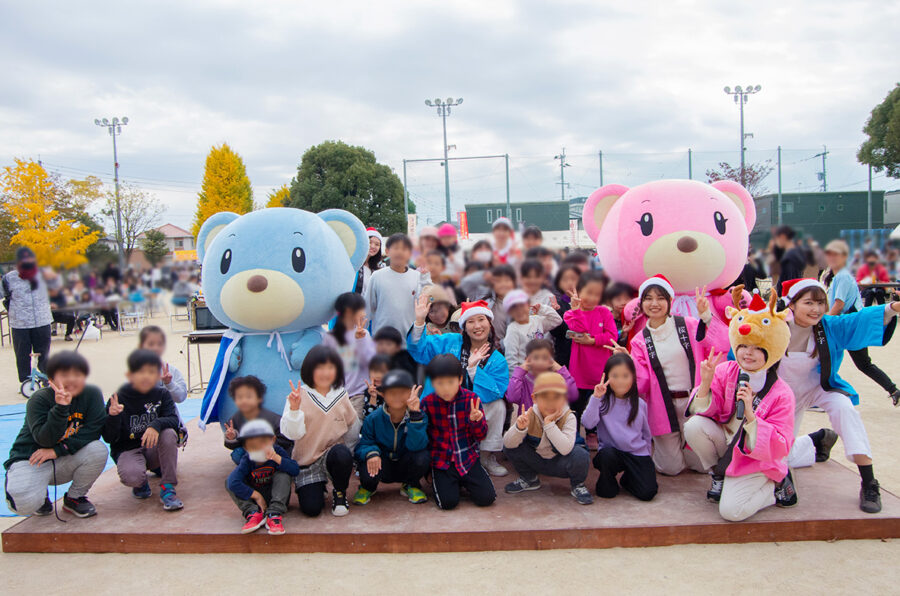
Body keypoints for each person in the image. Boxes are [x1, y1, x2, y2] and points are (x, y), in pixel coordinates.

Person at [779, 278, 900, 513]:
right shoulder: (772, 325)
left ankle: (869, 482)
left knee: (844, 408)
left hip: (820, 387)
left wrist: (893, 308)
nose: (817, 309)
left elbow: (859, 320)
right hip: (782, 398)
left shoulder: (830, 325)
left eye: (821, 303)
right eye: (809, 303)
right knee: (782, 454)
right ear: (791, 304)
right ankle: (818, 439)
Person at [683, 292, 796, 521]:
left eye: (756, 348)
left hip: (756, 459)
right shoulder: (727, 370)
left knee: (731, 512)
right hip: (729, 445)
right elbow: (705, 410)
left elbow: (781, 443)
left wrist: (752, 416)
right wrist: (705, 383)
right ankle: (719, 474)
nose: (748, 353)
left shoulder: (782, 393)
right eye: (743, 346)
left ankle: (776, 487)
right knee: (694, 426)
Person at [408, 298, 510, 476]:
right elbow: (420, 350)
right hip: (443, 403)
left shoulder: (497, 359)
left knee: (499, 406)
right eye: (471, 321)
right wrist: (419, 321)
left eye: (481, 320)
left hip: (471, 407)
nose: (477, 326)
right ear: (464, 326)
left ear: (490, 323)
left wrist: (472, 370)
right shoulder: (450, 342)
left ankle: (485, 456)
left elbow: (495, 392)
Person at [4, 351, 108, 517]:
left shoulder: (92, 394)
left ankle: (74, 498)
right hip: (33, 458)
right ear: (50, 380)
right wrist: (61, 408)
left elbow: (93, 431)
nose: (71, 379)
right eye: (64, 375)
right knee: (23, 505)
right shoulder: (38, 399)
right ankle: (38, 493)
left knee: (98, 450)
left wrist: (57, 451)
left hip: (62, 458)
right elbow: (44, 439)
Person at [629, 275, 714, 476]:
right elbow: (641, 385)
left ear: (670, 301)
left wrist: (707, 317)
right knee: (671, 468)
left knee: (702, 467)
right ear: (641, 303)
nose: (654, 303)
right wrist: (628, 364)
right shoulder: (640, 340)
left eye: (660, 298)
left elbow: (716, 345)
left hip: (694, 401)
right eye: (648, 298)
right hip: (662, 405)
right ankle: (674, 449)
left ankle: (689, 445)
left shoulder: (689, 325)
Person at [280, 346, 361, 517]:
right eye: (320, 368)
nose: (325, 373)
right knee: (311, 509)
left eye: (330, 367)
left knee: (342, 453)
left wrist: (349, 458)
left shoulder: (341, 395)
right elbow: (291, 434)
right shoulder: (297, 396)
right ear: (310, 369)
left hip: (332, 455)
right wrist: (294, 410)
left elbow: (352, 429)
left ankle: (339, 493)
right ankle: (318, 486)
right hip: (307, 461)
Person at [102, 349, 183, 511]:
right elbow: (109, 437)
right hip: (129, 449)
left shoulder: (161, 394)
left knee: (168, 433)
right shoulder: (119, 398)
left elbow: (174, 420)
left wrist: (155, 425)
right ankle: (141, 481)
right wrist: (113, 417)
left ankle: (167, 487)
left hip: (153, 447)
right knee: (133, 477)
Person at [821, 240, 900, 405]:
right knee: (860, 363)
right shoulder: (840, 276)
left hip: (847, 324)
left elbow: (839, 304)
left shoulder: (842, 276)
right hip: (847, 323)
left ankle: (823, 394)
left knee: (843, 361)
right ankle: (893, 390)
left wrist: (824, 322)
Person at [503, 371, 593, 504]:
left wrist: (549, 425)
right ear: (534, 398)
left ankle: (578, 485)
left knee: (581, 455)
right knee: (510, 443)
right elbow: (508, 444)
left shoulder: (569, 416)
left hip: (561, 462)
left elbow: (565, 449)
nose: (551, 403)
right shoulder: (529, 414)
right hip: (536, 461)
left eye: (557, 397)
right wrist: (519, 428)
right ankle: (529, 478)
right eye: (545, 397)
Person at [420, 354, 496, 510]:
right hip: (442, 462)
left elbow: (481, 435)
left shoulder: (471, 400)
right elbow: (423, 437)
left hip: (467, 458)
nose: (446, 388)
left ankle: (463, 480)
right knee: (447, 503)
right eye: (440, 383)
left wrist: (476, 421)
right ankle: (447, 481)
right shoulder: (427, 403)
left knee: (487, 498)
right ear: (433, 383)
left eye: (450, 382)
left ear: (460, 380)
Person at [583, 353, 657, 501]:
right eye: (615, 376)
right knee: (606, 492)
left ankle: (628, 479)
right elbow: (587, 423)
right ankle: (607, 478)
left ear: (633, 377)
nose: (620, 381)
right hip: (611, 454)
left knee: (647, 493)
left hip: (637, 454)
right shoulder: (602, 401)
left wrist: (646, 460)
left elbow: (646, 434)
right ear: (607, 377)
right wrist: (595, 398)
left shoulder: (640, 404)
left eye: (625, 376)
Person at [353, 369, 430, 505]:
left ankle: (410, 485)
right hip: (382, 465)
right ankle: (368, 487)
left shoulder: (419, 416)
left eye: (403, 392)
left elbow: (417, 446)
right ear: (382, 393)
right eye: (392, 392)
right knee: (367, 459)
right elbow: (363, 445)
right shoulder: (373, 419)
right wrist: (372, 453)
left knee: (422, 456)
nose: (397, 397)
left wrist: (414, 416)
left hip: (404, 464)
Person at [563, 271, 618, 426]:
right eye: (589, 293)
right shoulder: (569, 314)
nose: (593, 298)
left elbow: (613, 336)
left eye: (597, 294)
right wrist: (577, 311)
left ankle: (593, 432)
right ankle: (575, 432)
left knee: (599, 401)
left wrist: (592, 341)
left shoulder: (604, 312)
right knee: (577, 403)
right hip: (580, 368)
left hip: (601, 368)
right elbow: (580, 329)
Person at [226, 419, 300, 535]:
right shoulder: (247, 459)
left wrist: (276, 458)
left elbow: (295, 470)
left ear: (273, 440)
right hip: (256, 501)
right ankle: (253, 513)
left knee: (283, 473)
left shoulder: (278, 452)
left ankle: (274, 514)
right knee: (231, 481)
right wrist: (257, 496)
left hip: (276, 497)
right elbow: (232, 482)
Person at [364, 233, 432, 343]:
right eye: (395, 248)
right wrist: (362, 333)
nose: (400, 252)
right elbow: (367, 308)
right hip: (381, 341)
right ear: (387, 251)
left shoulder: (417, 277)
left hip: (408, 341)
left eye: (404, 249)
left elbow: (426, 300)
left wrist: (426, 278)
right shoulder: (377, 276)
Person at [2, 247, 53, 383]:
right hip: (20, 323)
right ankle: (25, 381)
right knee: (22, 354)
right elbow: (3, 294)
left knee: (44, 353)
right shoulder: (9, 278)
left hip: (42, 320)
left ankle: (45, 379)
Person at [322, 292, 375, 420]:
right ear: (348, 312)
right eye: (361, 309)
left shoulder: (365, 334)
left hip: (359, 395)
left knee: (353, 434)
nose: (364, 313)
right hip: (336, 396)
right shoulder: (330, 338)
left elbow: (369, 363)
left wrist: (360, 340)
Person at [222, 375, 293, 464]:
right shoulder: (235, 419)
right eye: (240, 397)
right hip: (251, 454)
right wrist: (232, 437)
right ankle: (250, 470)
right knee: (237, 454)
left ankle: (271, 468)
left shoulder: (272, 418)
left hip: (270, 453)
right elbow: (234, 445)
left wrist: (267, 444)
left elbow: (286, 439)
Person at [506, 339, 578, 411]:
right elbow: (512, 398)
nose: (540, 362)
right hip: (528, 421)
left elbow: (573, 395)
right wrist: (519, 373)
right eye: (536, 358)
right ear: (527, 360)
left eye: (544, 358)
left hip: (552, 420)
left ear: (552, 361)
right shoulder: (523, 379)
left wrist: (562, 371)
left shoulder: (556, 378)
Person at [502, 289, 562, 373]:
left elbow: (557, 320)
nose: (519, 311)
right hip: (525, 376)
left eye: (522, 305)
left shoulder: (537, 320)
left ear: (528, 305)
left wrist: (542, 308)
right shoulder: (513, 329)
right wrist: (516, 379)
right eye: (514, 308)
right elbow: (511, 359)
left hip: (543, 371)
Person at [138, 325, 188, 404]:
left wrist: (169, 383)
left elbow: (181, 397)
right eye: (150, 344)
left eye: (159, 344)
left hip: (168, 415)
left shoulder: (170, 370)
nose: (155, 348)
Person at [550, 264, 581, 367]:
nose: (570, 283)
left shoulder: (588, 302)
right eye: (565, 280)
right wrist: (557, 313)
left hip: (584, 354)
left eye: (573, 279)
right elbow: (558, 333)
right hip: (565, 355)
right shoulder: (558, 304)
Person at [773, 226, 806, 295]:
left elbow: (790, 282)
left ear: (782, 237)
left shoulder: (790, 257)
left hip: (788, 298)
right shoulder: (795, 253)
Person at [353, 227, 385, 295]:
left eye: (377, 244)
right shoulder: (353, 264)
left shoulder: (377, 269)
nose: (373, 246)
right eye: (370, 242)